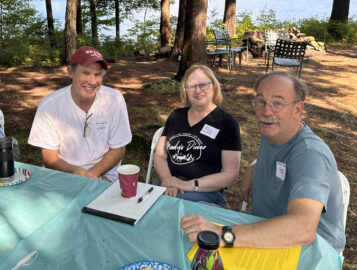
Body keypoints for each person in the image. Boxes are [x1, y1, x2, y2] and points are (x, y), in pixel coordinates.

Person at [181, 72, 345, 254]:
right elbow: (281, 159)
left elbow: (303, 229)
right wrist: (255, 168)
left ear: (297, 109)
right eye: (260, 101)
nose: (266, 111)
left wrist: (224, 235)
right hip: (267, 233)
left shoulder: (310, 155)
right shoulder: (274, 132)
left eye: (278, 103)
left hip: (311, 252)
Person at [28, 46, 132, 182]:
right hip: (63, 175)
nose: (92, 82)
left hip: (103, 174)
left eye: (97, 74)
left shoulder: (114, 99)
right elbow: (49, 158)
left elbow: (118, 149)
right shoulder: (50, 105)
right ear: (70, 72)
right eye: (86, 73)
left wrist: (93, 174)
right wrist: (78, 172)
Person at [153, 64, 242, 208]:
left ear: (214, 86)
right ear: (185, 90)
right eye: (191, 86)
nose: (197, 90)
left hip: (203, 193)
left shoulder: (227, 122)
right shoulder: (176, 116)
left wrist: (187, 185)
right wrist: (168, 180)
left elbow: (230, 175)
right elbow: (159, 155)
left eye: (203, 85)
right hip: (167, 185)